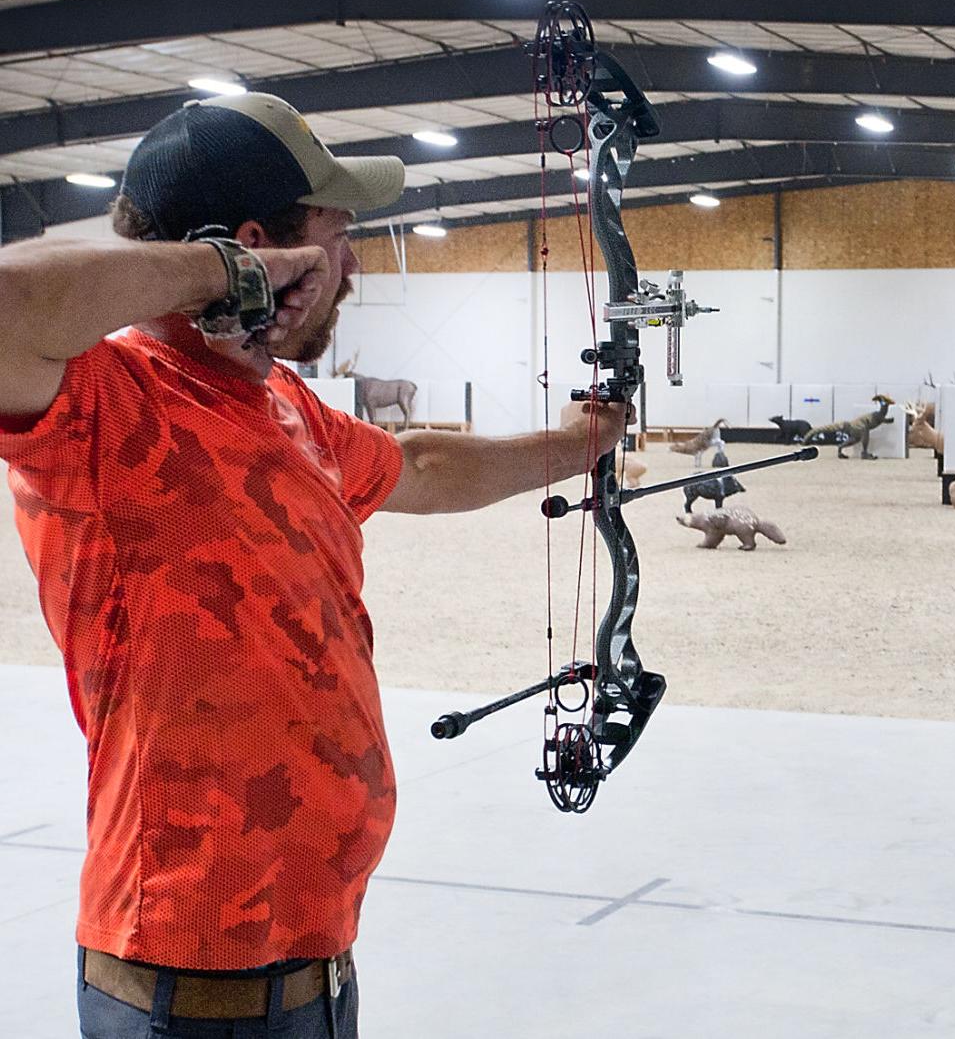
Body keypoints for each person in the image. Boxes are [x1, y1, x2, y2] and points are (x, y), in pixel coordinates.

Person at [0, 92, 627, 1037]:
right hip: (185, 987)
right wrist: (217, 270)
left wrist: (580, 441)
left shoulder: (285, 407)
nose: (354, 266)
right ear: (261, 247)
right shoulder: (107, 400)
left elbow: (421, 464)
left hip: (314, 971)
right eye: (337, 237)